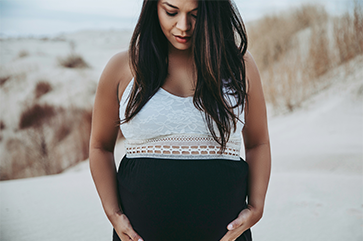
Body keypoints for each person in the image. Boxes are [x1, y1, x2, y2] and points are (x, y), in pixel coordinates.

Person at [89, 0, 271, 240]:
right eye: (171, 12)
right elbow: (99, 146)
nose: (183, 26)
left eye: (196, 14)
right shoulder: (122, 68)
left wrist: (257, 207)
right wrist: (113, 213)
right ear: (153, 7)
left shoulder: (239, 66)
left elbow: (258, 142)